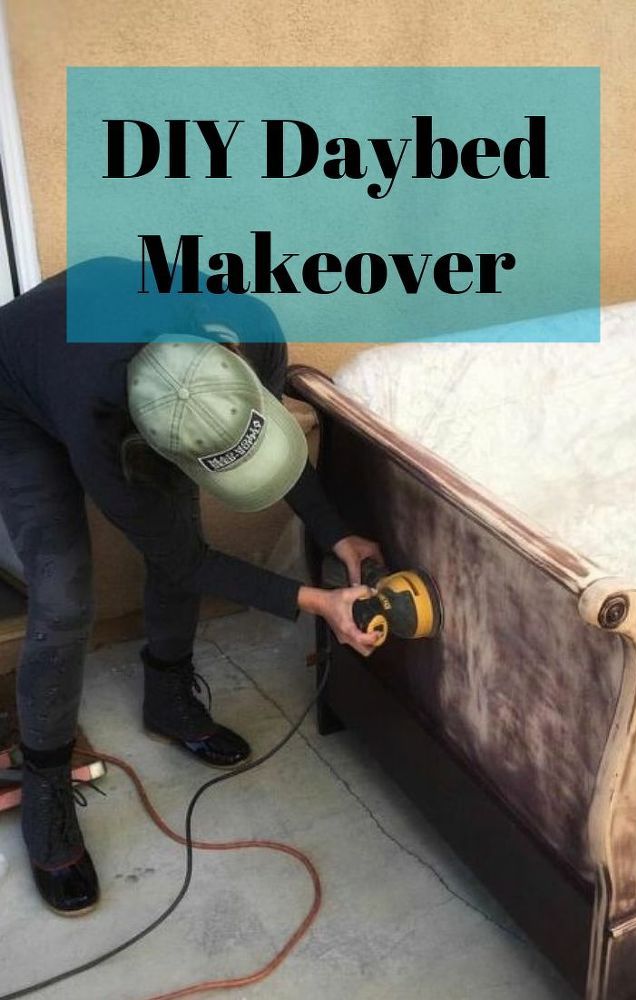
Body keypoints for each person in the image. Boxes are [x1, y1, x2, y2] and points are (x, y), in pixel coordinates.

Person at [0, 259, 382, 916]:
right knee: (64, 601)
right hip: (13, 395)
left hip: (118, 348)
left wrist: (334, 531)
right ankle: (45, 790)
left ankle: (169, 699)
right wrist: (317, 601)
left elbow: (256, 433)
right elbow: (185, 561)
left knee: (175, 517)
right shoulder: (97, 424)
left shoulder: (249, 326)